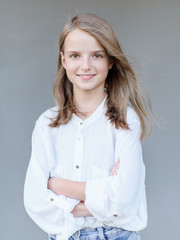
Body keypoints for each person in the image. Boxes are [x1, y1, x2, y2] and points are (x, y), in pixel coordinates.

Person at [24, 13, 152, 240]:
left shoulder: (125, 120)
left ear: (110, 61)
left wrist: (57, 185)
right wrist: (104, 194)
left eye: (96, 55)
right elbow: (34, 200)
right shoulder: (47, 124)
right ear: (63, 60)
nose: (85, 65)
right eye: (75, 55)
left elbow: (124, 199)